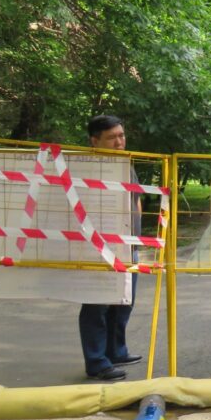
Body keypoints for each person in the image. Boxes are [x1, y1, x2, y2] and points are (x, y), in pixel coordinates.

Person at [78, 114, 143, 381]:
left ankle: (116, 351)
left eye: (121, 135)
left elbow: (136, 199)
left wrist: (137, 238)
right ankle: (96, 362)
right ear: (95, 141)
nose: (119, 142)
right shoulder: (87, 167)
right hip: (100, 247)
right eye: (112, 138)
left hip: (129, 245)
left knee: (124, 300)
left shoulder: (125, 163)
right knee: (98, 303)